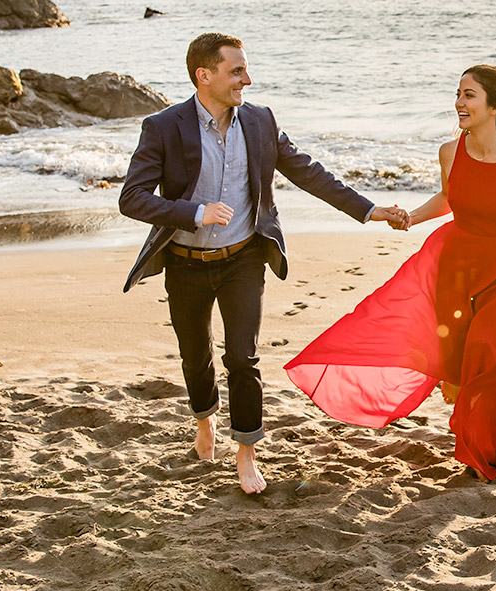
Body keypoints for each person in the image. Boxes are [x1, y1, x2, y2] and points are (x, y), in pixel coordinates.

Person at [119, 32, 408, 494]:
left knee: (242, 356)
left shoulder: (259, 122)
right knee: (195, 357)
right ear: (204, 75)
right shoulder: (164, 127)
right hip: (186, 262)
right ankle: (204, 421)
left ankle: (246, 452)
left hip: (244, 257)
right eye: (237, 71)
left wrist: (369, 210)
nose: (246, 80)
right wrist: (193, 213)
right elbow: (131, 198)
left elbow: (308, 172)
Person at [286, 64, 496, 479]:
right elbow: (451, 198)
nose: (459, 103)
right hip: (455, 268)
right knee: (462, 364)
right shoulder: (450, 152)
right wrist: (411, 218)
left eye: (469, 95)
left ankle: (480, 450)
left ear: (494, 106)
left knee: (495, 362)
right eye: (458, 94)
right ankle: (482, 438)